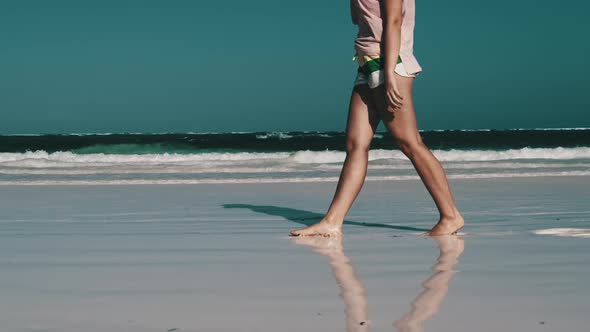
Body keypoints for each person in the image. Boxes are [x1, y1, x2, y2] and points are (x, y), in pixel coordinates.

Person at [290, 0, 464, 237]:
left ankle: (450, 216)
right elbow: (361, 18)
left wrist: (390, 73)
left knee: (409, 142)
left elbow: (394, 21)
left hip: (389, 63)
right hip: (367, 62)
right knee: (355, 144)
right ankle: (332, 221)